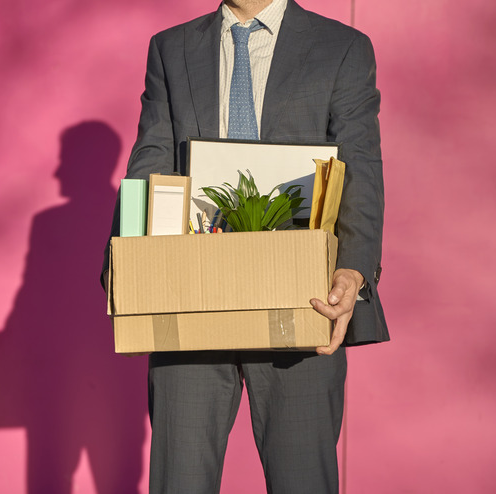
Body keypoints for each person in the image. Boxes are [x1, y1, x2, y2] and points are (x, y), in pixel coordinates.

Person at [103, 1, 389, 492]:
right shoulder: (171, 47)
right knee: (180, 482)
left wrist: (354, 271)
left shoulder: (342, 48)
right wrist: (129, 278)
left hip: (300, 296)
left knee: (303, 481)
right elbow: (150, 159)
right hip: (188, 294)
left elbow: (359, 166)